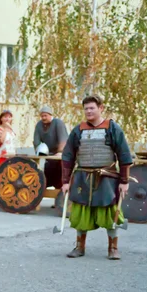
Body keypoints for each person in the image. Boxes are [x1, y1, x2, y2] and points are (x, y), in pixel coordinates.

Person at [61, 95, 133, 260]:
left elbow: (124, 155)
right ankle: (79, 247)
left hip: (106, 178)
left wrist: (124, 181)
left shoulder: (112, 128)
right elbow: (67, 156)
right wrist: (65, 182)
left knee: (110, 212)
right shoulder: (78, 130)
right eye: (86, 108)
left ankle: (113, 248)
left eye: (92, 108)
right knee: (81, 211)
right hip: (83, 178)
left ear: (101, 108)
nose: (88, 111)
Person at [33, 106, 68, 189]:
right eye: (42, 116)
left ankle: (60, 195)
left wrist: (60, 152)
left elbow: (63, 139)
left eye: (45, 115)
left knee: (59, 176)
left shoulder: (58, 123)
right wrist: (39, 151)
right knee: (45, 176)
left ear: (50, 115)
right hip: (48, 155)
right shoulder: (39, 125)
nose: (44, 118)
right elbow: (36, 141)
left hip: (59, 155)